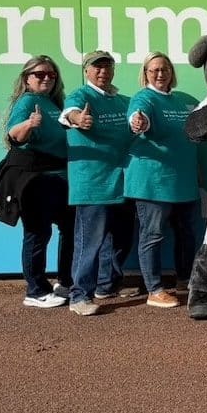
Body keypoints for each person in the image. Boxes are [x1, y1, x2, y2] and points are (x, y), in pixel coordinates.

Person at [0, 56, 74, 308]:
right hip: (36, 179)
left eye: (51, 74)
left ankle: (66, 282)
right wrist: (29, 124)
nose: (46, 78)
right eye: (40, 74)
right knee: (37, 233)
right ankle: (35, 291)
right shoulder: (27, 101)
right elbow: (14, 136)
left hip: (59, 177)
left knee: (69, 228)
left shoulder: (52, 104)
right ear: (27, 79)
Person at [61, 50, 137, 317]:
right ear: (86, 71)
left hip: (123, 181)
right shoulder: (81, 95)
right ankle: (79, 295)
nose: (102, 71)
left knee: (120, 239)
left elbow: (136, 122)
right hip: (93, 184)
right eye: (97, 67)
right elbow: (68, 112)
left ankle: (107, 286)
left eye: (107, 66)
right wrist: (76, 119)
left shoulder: (122, 101)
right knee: (89, 243)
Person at [126, 52, 201, 309]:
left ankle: (184, 279)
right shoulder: (143, 97)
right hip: (153, 183)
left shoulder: (182, 101)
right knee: (153, 235)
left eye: (164, 69)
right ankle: (154, 290)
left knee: (186, 233)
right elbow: (139, 116)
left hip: (183, 181)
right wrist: (139, 122)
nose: (160, 74)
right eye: (153, 70)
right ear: (145, 74)